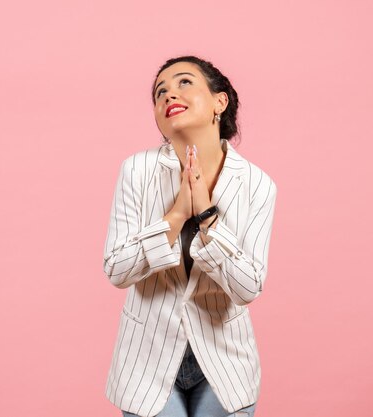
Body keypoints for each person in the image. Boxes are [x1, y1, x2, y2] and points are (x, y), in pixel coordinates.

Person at [102, 55, 278, 417]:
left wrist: (207, 218)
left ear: (219, 101)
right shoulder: (137, 170)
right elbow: (116, 269)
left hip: (225, 366)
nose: (168, 95)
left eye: (184, 83)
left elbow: (248, 287)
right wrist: (176, 215)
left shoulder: (258, 185)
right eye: (159, 92)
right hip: (146, 365)